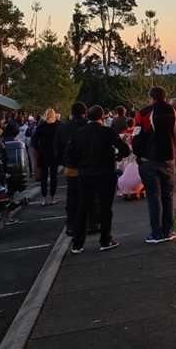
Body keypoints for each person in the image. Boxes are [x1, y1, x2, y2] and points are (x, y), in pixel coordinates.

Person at [65, 105, 130, 254]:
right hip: (105, 172)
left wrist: (79, 164)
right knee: (105, 208)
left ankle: (78, 243)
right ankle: (105, 239)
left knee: (83, 208)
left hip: (85, 174)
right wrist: (118, 156)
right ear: (102, 117)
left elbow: (69, 155)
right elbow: (124, 149)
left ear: (88, 116)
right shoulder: (107, 132)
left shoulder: (79, 133)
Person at [134, 86, 176, 244]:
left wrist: (138, 154)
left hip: (149, 160)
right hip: (169, 159)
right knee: (168, 196)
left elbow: (137, 137)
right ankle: (168, 230)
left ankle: (156, 232)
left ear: (151, 97)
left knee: (154, 197)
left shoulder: (143, 113)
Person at [56, 102, 90, 236]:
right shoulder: (88, 126)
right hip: (89, 166)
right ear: (85, 112)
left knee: (72, 197)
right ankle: (91, 223)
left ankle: (71, 224)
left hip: (71, 167)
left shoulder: (63, 128)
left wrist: (64, 162)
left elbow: (57, 148)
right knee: (90, 196)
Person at [33, 108, 60, 205]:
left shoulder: (41, 126)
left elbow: (34, 141)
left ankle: (43, 199)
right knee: (53, 177)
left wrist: (39, 150)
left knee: (44, 178)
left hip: (43, 154)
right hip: (54, 154)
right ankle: (52, 198)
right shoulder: (58, 125)